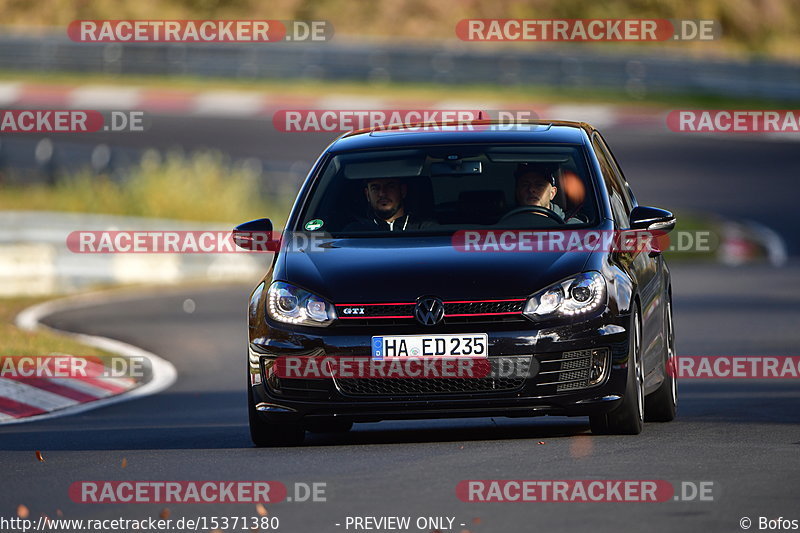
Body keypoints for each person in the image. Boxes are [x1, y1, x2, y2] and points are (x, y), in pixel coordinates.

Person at [344, 178, 434, 231]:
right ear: (368, 195)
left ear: (402, 191)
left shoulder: (426, 229)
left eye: (390, 186)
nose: (382, 193)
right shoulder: (355, 232)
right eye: (375, 188)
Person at [513, 163, 581, 223]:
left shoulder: (575, 229)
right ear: (518, 192)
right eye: (525, 184)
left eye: (539, 185)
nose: (531, 189)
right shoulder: (505, 226)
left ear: (552, 193)